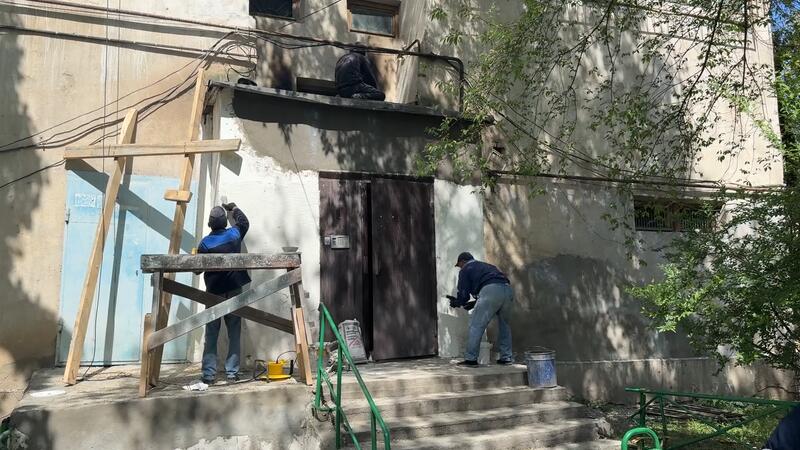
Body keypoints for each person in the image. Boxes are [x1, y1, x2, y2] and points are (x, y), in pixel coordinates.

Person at [198, 202, 251, 384]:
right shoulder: (234, 235)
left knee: (212, 333)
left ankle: (208, 375)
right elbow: (244, 222)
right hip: (234, 289)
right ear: (225, 223)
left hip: (213, 293)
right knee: (234, 332)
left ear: (210, 224)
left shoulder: (205, 243)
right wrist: (233, 208)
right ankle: (232, 373)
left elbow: (197, 270)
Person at [446, 252, 513, 367]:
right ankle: (506, 358)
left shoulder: (466, 269)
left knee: (476, 325)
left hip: (490, 291)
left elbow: (464, 295)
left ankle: (471, 359)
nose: (460, 268)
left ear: (463, 261)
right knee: (504, 326)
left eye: (459, 265)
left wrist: (457, 302)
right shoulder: (487, 266)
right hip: (507, 290)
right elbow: (491, 285)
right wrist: (475, 303)